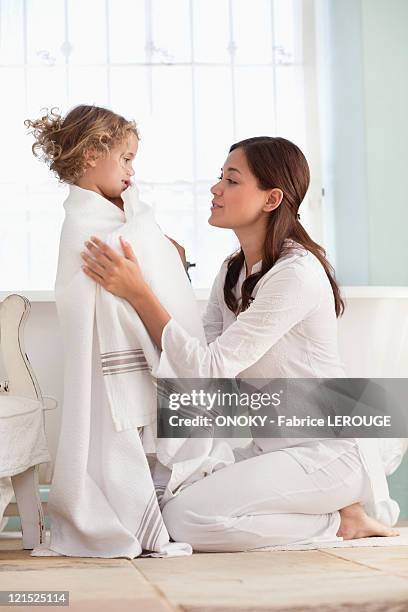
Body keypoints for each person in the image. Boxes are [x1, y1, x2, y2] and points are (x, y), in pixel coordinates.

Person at [81, 136, 401, 552]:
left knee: (187, 519)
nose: (216, 189)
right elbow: (200, 367)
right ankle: (343, 511)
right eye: (220, 177)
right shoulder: (233, 270)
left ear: (271, 199)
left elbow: (209, 368)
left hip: (333, 448)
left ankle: (336, 522)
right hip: (275, 445)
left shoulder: (295, 274)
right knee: (159, 503)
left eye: (232, 180)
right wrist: (166, 274)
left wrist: (140, 292)